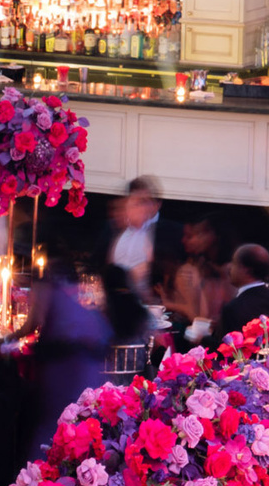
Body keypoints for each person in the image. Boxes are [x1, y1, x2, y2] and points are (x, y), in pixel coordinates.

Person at [18, 256, 109, 456]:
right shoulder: (85, 309)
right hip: (86, 366)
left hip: (63, 365)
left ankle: (43, 472)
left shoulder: (47, 288)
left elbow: (33, 323)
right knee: (75, 419)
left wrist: (7, 339)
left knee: (53, 420)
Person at [161, 217, 230, 335]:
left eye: (192, 236)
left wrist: (170, 304)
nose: (184, 241)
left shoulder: (225, 272)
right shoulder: (199, 267)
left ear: (212, 236)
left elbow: (199, 318)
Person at [206, 244, 269, 340]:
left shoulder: (233, 308)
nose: (230, 268)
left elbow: (227, 349)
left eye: (234, 263)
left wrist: (203, 338)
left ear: (245, 270)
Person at [108, 177, 173, 298]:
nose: (142, 207)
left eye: (144, 202)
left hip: (147, 305)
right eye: (136, 202)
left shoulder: (159, 233)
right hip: (117, 300)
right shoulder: (117, 231)